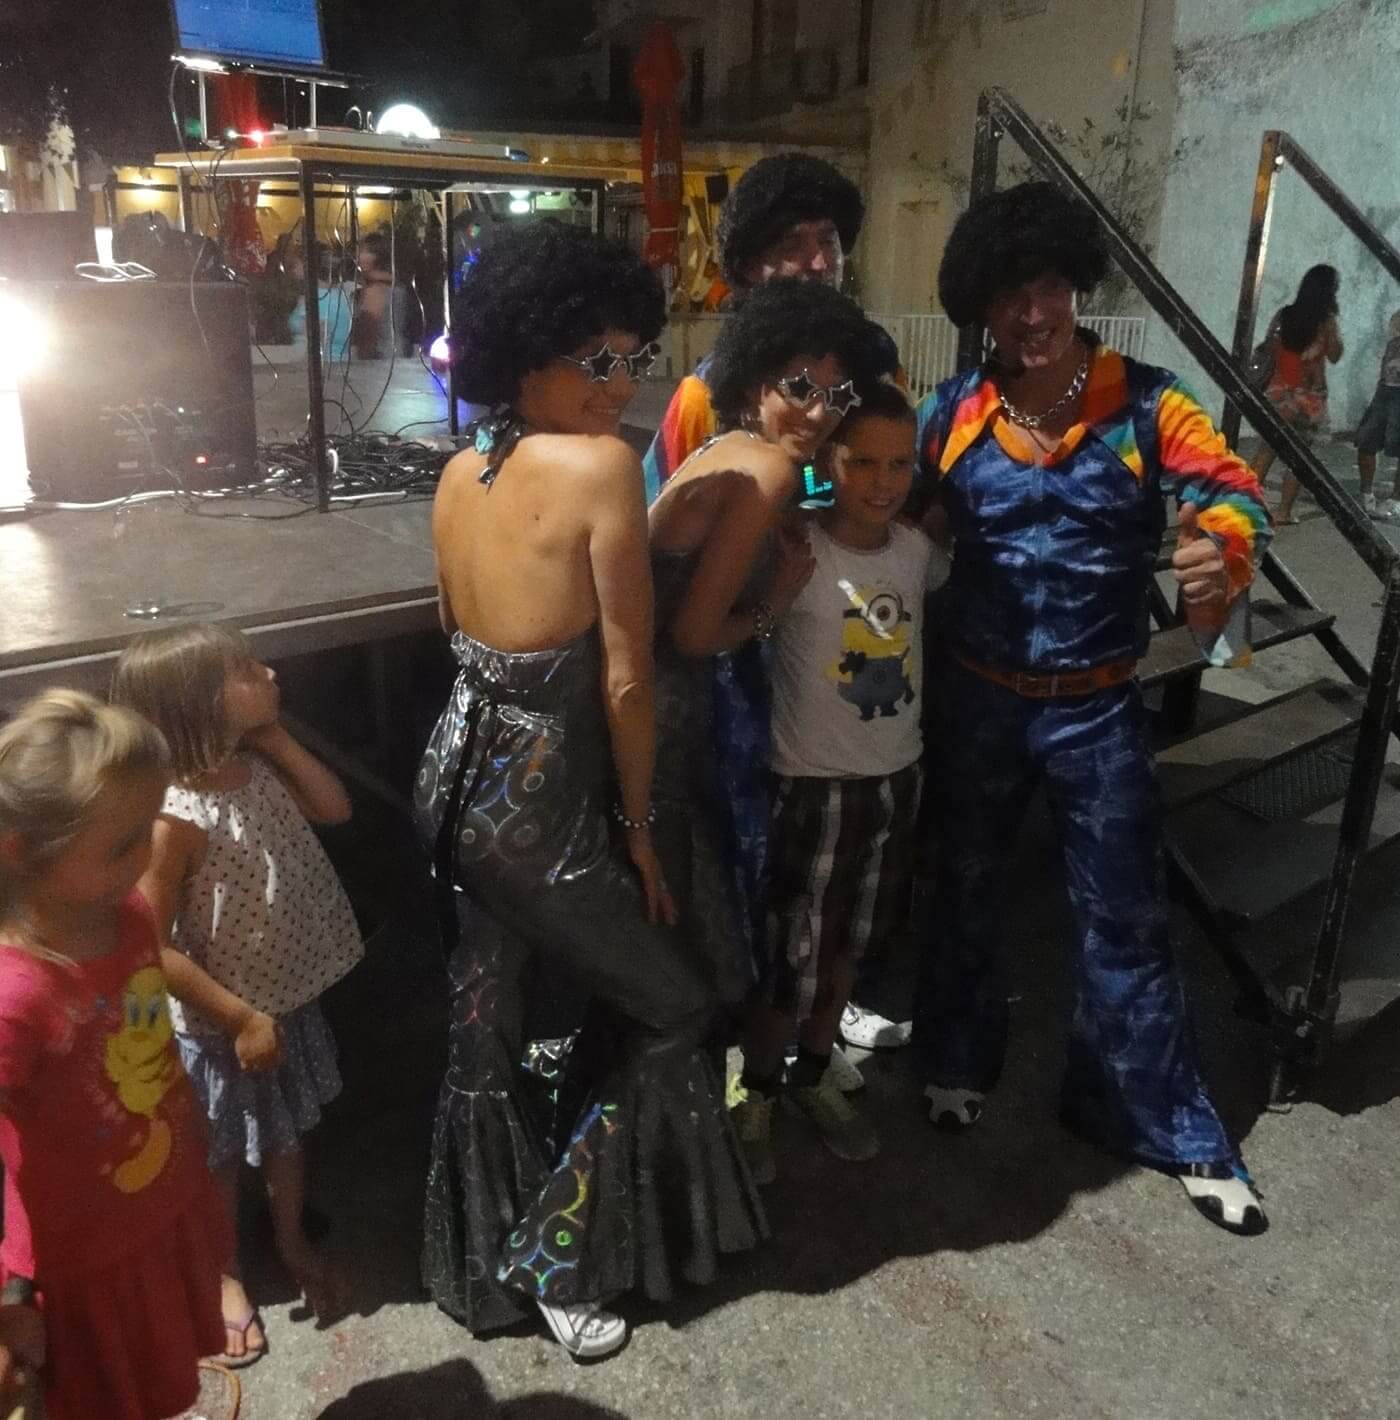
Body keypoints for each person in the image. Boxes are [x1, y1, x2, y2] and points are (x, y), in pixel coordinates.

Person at [416, 221, 765, 1361]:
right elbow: (624, 676)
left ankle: (472, 1261)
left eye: (633, 360)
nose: (621, 387)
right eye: (597, 361)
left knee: (486, 1017)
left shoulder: (455, 472)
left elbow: (451, 628)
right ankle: (560, 1254)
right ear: (527, 357)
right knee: (674, 1006)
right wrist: (640, 829)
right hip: (536, 806)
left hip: (448, 777)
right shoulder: (603, 468)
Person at [913, 181, 1273, 1236]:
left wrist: (1220, 545)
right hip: (977, 698)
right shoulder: (953, 412)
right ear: (979, 307)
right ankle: (952, 1057)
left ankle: (1157, 1117)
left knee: (1125, 916)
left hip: (1098, 710)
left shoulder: (1150, 403)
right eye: (1004, 296)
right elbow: (889, 509)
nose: (1029, 313)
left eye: (1046, 287)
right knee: (962, 887)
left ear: (1076, 284)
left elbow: (1234, 488)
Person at [646, 277, 898, 1155]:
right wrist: (776, 603)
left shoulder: (725, 448)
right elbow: (693, 635)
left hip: (668, 711)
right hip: (704, 712)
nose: (819, 411)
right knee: (744, 910)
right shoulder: (769, 468)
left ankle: (729, 1094)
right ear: (755, 379)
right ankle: (733, 1103)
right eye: (799, 385)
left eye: (836, 391)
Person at [111, 623, 363, 1364]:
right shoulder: (173, 820)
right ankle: (224, 1273)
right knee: (216, 1160)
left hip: (282, 1005)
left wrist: (275, 737)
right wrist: (239, 1016)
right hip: (221, 1025)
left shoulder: (254, 769)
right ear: (200, 707)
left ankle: (288, 1240)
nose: (270, 672)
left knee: (287, 1135)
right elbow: (147, 945)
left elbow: (336, 808)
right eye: (247, 671)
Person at [729, 382, 948, 1179]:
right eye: (863, 463)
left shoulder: (916, 554)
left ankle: (814, 1074)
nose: (884, 482)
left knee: (851, 949)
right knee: (791, 961)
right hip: (812, 788)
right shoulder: (798, 552)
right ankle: (756, 1089)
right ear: (829, 460)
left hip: (896, 781)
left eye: (899, 464)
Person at [0, 690, 231, 1420]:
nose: (150, 854)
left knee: (156, 1379)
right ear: (21, 852)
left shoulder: (125, 912)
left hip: (160, 1197)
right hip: (83, 1257)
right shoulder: (17, 994)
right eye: (123, 843)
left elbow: (145, 1019)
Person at [642, 153, 865, 503]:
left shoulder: (874, 374)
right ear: (748, 267)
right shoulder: (703, 396)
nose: (820, 263)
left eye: (827, 241)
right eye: (792, 246)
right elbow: (656, 515)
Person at [1249, 263, 1344, 524]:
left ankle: (1244, 503)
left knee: (1267, 449)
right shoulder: (1326, 322)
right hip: (1308, 400)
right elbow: (1335, 355)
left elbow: (1269, 346)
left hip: (1278, 393)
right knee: (1298, 458)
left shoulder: (1284, 315)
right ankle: (1283, 511)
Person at [1355, 309, 1400, 520]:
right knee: (1366, 442)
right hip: (1385, 392)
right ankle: (1366, 493)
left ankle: (1396, 500)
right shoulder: (1393, 343)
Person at [352, 231, 414, 360]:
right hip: (399, 353)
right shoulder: (398, 286)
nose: (358, 257)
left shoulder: (376, 290)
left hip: (379, 361)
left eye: (364, 251)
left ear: (377, 256)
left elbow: (368, 335)